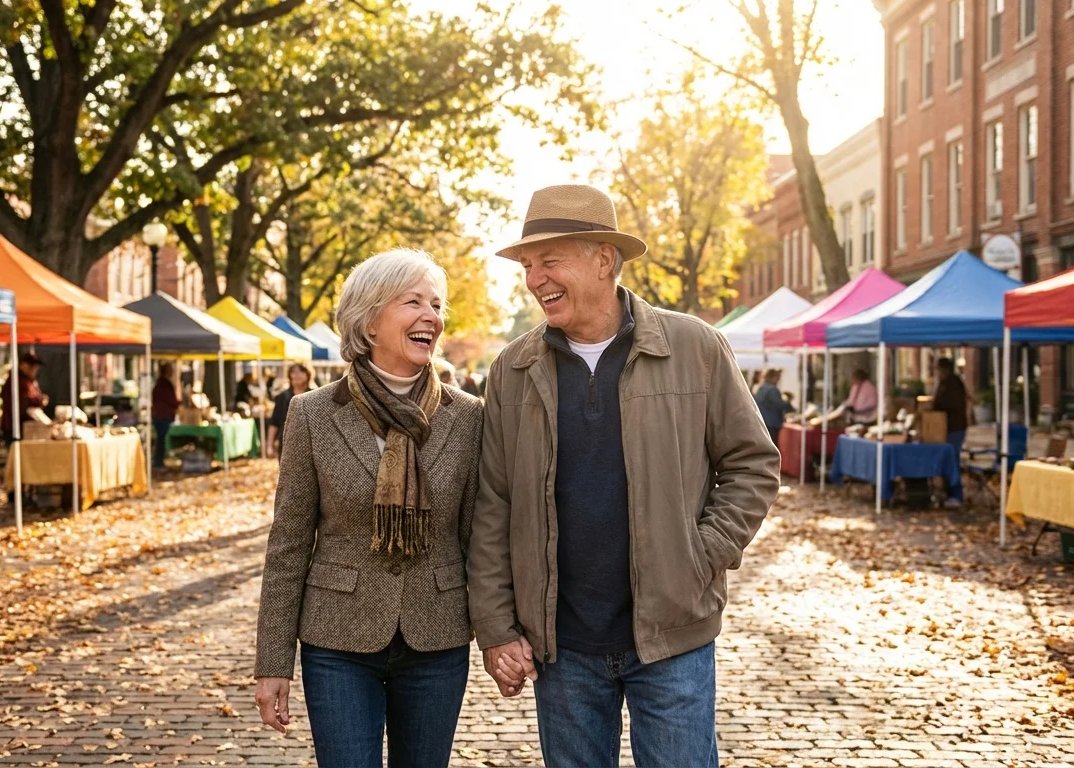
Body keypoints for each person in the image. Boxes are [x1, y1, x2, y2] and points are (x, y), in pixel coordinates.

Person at [469, 184, 781, 768]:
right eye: (528, 266)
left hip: (673, 636)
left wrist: (699, 554)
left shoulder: (694, 347)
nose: (535, 279)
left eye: (550, 261)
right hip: (563, 648)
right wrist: (495, 625)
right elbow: (494, 505)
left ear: (604, 259)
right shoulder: (512, 371)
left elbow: (753, 465)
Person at [253, 249, 484, 768]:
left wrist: (500, 636)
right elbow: (288, 545)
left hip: (437, 638)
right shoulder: (312, 414)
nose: (432, 316)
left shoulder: (467, 417)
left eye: (437, 305)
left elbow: (479, 540)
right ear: (369, 319)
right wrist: (273, 663)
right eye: (414, 302)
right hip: (336, 642)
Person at [932, 357, 969, 506]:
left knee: (952, 460)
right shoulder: (944, 383)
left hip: (955, 427)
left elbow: (950, 404)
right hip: (946, 427)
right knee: (947, 460)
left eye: (938, 369)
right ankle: (947, 492)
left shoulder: (953, 383)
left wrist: (936, 407)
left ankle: (956, 494)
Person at [266, 362, 315, 459]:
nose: (297, 375)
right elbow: (274, 422)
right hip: (286, 443)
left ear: (308, 374)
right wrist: (270, 445)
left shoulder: (315, 395)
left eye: (301, 371)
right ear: (289, 375)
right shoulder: (282, 397)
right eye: (293, 372)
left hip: (310, 444)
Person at [0, 352, 48, 438]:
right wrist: (38, 401)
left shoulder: (29, 381)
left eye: (36, 367)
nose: (35, 369)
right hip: (16, 426)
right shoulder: (16, 381)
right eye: (32, 366)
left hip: (27, 425)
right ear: (23, 365)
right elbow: (22, 403)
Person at [151, 362, 180, 469]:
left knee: (161, 440)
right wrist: (178, 404)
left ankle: (159, 461)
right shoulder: (164, 385)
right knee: (161, 440)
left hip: (160, 415)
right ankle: (158, 463)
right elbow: (170, 400)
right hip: (162, 416)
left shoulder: (160, 384)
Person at [754, 368, 795, 441]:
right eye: (778, 378)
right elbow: (779, 405)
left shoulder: (761, 388)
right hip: (771, 423)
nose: (778, 380)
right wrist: (788, 404)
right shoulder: (772, 389)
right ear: (773, 377)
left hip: (762, 422)